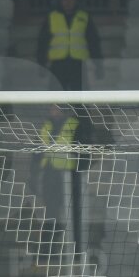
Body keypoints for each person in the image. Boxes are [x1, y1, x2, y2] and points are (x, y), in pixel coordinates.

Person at [35, 104, 84, 255]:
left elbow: (83, 150)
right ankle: (47, 251)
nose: (53, 110)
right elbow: (37, 152)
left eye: (56, 108)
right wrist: (35, 174)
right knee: (51, 214)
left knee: (71, 214)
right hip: (50, 176)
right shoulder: (46, 126)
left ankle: (75, 250)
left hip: (70, 175)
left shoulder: (74, 125)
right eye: (52, 107)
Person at [37, 0, 101, 92]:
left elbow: (93, 42)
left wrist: (98, 65)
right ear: (60, 1)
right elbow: (42, 42)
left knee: (79, 98)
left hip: (78, 64)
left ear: (76, 1)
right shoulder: (52, 17)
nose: (68, 2)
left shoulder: (84, 16)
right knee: (55, 97)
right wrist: (41, 64)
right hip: (57, 64)